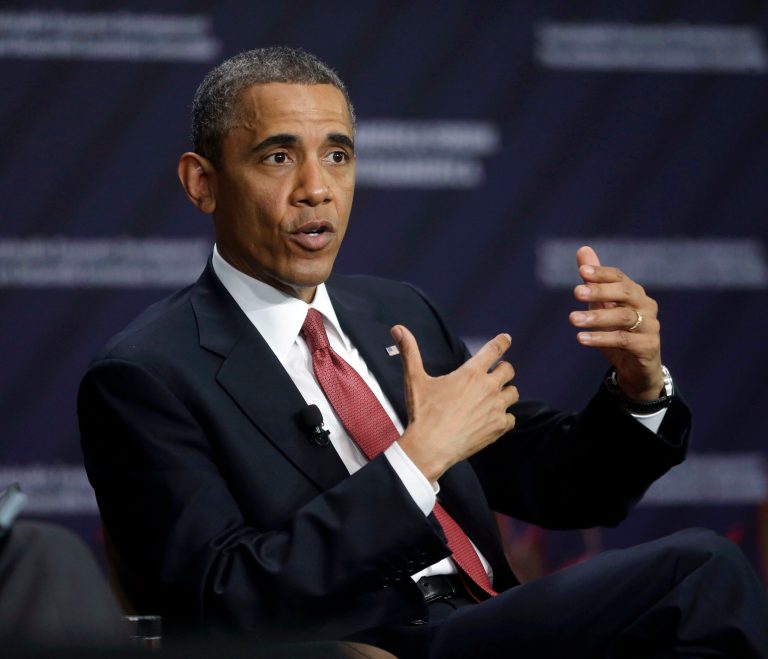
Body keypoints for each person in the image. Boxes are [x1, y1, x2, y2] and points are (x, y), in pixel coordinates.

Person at [78, 46, 768, 658]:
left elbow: (560, 481)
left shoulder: (396, 313)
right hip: (380, 642)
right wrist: (415, 462)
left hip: (493, 618)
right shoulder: (147, 375)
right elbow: (221, 598)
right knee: (700, 574)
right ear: (202, 182)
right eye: (278, 155)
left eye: (338, 155)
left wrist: (638, 390)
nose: (316, 187)